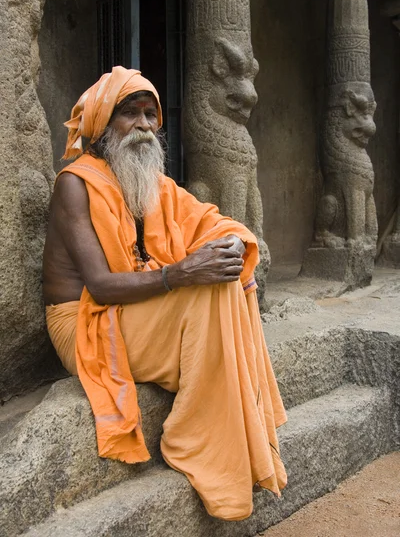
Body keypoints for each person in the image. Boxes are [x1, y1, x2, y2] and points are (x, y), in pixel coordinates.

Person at [43, 66, 287, 521]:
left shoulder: (154, 185)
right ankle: (194, 441)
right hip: (85, 322)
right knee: (206, 287)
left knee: (223, 279)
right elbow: (100, 286)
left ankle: (224, 442)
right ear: (100, 127)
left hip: (134, 310)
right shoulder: (75, 184)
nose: (143, 125)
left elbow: (211, 221)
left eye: (150, 114)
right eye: (129, 114)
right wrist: (180, 273)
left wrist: (233, 243)